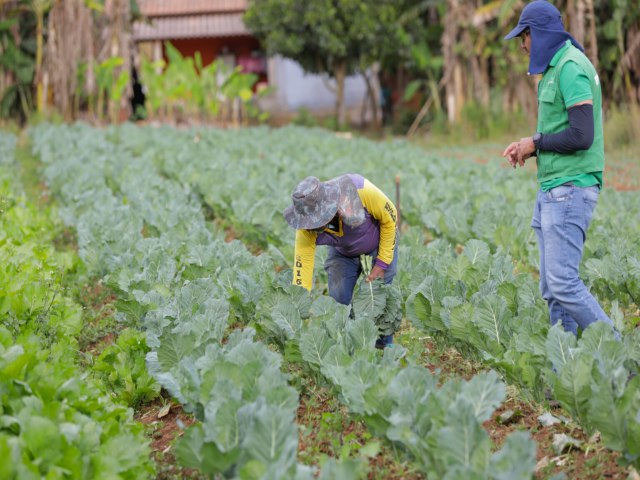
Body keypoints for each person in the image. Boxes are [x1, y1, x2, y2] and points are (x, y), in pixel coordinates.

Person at [502, 0, 615, 336]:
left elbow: (582, 135)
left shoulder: (571, 67)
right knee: (552, 290)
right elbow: (560, 131)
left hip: (570, 189)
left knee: (564, 283)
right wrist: (531, 145)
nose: (522, 45)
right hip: (553, 188)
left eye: (524, 37)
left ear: (537, 33)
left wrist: (535, 144)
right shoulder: (555, 69)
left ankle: (620, 356)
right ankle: (562, 371)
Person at [283, 174, 399, 348]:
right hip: (343, 254)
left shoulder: (361, 190)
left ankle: (384, 346)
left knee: (378, 298)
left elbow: (390, 219)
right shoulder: (306, 227)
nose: (314, 227)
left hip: (379, 244)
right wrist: (298, 305)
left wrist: (382, 263)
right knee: (338, 298)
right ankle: (344, 343)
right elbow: (302, 267)